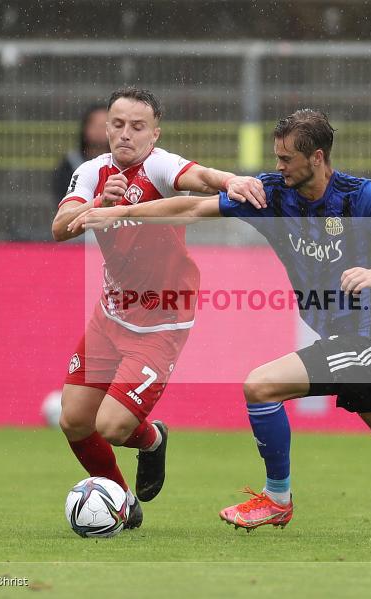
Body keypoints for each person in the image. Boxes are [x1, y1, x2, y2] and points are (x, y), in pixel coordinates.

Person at [69, 109, 371, 534]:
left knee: (261, 385)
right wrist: (117, 213)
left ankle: (277, 499)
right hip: (339, 337)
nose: (277, 167)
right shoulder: (272, 194)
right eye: (276, 157)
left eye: (286, 159)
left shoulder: (360, 196)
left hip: (369, 340)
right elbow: (193, 207)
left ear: (316, 158)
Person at [51, 87, 265, 530]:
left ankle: (151, 440)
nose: (125, 135)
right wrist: (98, 204)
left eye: (137, 126)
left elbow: (200, 178)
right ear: (106, 127)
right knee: (74, 420)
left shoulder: (159, 165)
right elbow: (59, 228)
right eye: (117, 124)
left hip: (162, 320)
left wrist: (231, 181)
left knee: (110, 426)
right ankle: (123, 502)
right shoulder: (93, 173)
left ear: (154, 133)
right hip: (111, 315)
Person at [52, 103, 111, 209]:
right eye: (95, 125)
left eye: (103, 126)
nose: (99, 131)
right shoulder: (71, 163)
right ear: (85, 127)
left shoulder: (123, 163)